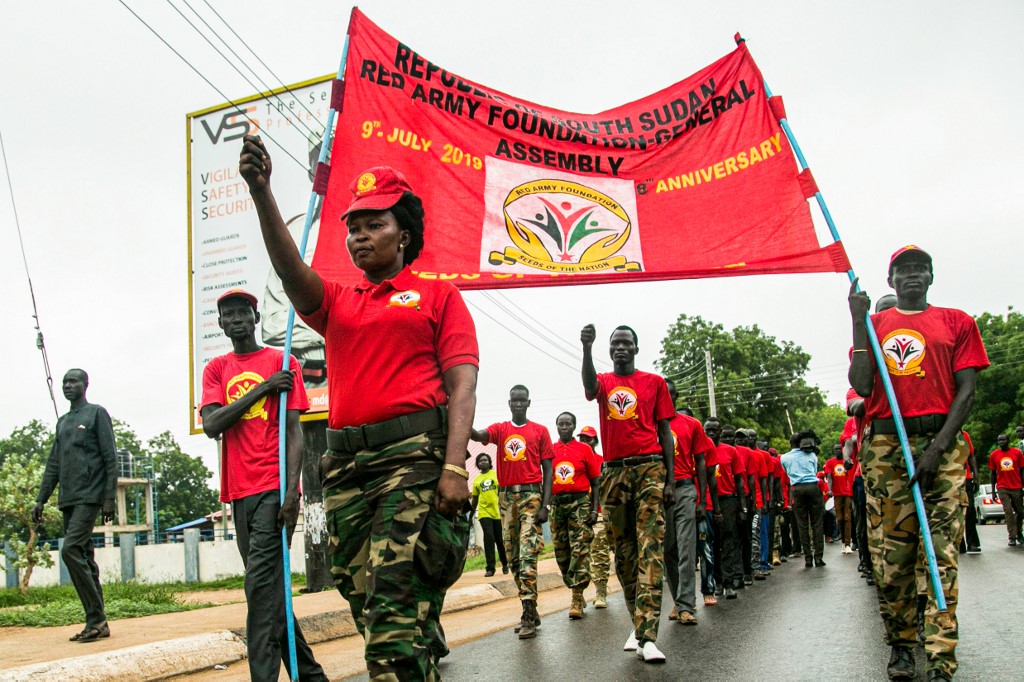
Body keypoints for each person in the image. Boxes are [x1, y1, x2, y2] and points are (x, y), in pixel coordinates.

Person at [240, 138, 479, 681]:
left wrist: (453, 465)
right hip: (345, 470)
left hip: (412, 463)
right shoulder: (339, 302)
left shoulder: (437, 296)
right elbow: (289, 269)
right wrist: (262, 193)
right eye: (353, 227)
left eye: (374, 224)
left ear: (405, 234)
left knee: (391, 625)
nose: (359, 236)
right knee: (369, 607)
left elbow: (461, 387)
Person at [849, 245, 989, 681]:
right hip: (888, 446)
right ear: (890, 281)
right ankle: (902, 646)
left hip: (942, 446)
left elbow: (965, 393)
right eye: (903, 270)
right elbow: (863, 384)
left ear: (930, 276)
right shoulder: (874, 325)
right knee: (893, 556)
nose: (912, 275)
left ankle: (942, 656)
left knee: (940, 553)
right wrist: (857, 319)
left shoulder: (957, 322)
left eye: (920, 269)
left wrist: (937, 449)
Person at [199, 289, 327, 682]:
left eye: (243, 313)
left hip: (273, 491)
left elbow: (294, 434)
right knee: (268, 591)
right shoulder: (216, 369)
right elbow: (212, 425)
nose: (236, 319)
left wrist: (293, 493)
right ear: (220, 324)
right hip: (238, 494)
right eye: (228, 315)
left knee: (259, 587)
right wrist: (263, 389)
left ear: (256, 318)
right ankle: (310, 675)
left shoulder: (283, 361)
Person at [581, 323, 675, 663]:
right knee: (624, 552)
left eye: (627, 343)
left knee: (650, 547)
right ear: (610, 351)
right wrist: (586, 348)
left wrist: (671, 480)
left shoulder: (654, 383)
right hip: (614, 471)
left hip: (650, 468)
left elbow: (665, 433)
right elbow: (590, 389)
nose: (621, 348)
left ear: (635, 349)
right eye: (615, 344)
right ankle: (639, 624)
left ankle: (648, 636)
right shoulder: (605, 381)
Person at [33, 369, 117, 643]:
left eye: (73, 381)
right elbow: (53, 464)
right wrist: (41, 499)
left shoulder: (96, 413)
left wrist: (108, 498)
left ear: (85, 385)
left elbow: (110, 458)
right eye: (65, 382)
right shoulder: (63, 422)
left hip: (89, 495)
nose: (68, 386)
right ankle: (98, 622)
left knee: (69, 549)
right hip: (68, 498)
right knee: (84, 557)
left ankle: (96, 619)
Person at [471, 385, 554, 639]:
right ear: (509, 403)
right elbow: (478, 435)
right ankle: (530, 608)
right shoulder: (501, 430)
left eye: (522, 401)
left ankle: (528, 614)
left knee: (528, 553)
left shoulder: (540, 431)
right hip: (506, 500)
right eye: (514, 401)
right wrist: (462, 413)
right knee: (513, 557)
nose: (518, 405)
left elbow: (549, 470)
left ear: (528, 403)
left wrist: (545, 504)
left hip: (531, 496)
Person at [662, 379, 712, 624]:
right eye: (662, 394)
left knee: (686, 548)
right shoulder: (650, 424)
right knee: (668, 550)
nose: (666, 398)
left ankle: (686, 606)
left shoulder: (691, 424)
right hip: (659, 493)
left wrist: (701, 500)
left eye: (670, 394)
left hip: (684, 490)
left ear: (676, 395)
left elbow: (701, 462)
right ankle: (677, 600)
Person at [549, 412, 601, 619]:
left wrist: (594, 509)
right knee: (562, 553)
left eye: (568, 424)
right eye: (560, 424)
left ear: (573, 427)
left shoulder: (584, 449)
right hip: (557, 506)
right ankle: (573, 585)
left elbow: (595, 482)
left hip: (579, 503)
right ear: (556, 426)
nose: (564, 427)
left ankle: (577, 596)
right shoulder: (550, 450)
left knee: (579, 549)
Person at [706, 419, 744, 600]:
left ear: (720, 432)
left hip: (728, 500)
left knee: (728, 541)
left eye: (714, 430)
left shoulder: (731, 451)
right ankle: (717, 583)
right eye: (708, 430)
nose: (711, 433)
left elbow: (739, 480)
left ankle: (729, 583)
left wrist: (742, 506)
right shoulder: (700, 450)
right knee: (711, 543)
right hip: (707, 501)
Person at [781, 429, 826, 568]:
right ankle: (818, 557)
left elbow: (787, 473)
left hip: (798, 489)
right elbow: (814, 470)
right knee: (817, 523)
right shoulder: (812, 454)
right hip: (813, 487)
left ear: (790, 443)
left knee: (802, 524)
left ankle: (807, 558)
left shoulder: (784, 457)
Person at [579, 425, 611, 608]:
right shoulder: (576, 459)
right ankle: (578, 594)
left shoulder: (602, 461)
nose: (585, 442)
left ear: (595, 441)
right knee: (579, 555)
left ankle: (600, 592)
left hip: (599, 513)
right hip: (579, 514)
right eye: (582, 438)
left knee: (599, 553)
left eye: (588, 439)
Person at [471, 453, 508, 577]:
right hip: (483, 512)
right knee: (488, 538)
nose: (483, 462)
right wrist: (471, 514)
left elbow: (502, 491)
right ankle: (490, 568)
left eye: (485, 460)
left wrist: (505, 507)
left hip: (496, 512)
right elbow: (475, 499)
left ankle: (505, 563)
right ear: (477, 464)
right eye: (480, 461)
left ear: (489, 462)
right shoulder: (476, 480)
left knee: (499, 539)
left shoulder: (496, 475)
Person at [988, 434, 1024, 546]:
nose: (1001, 442)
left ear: (1008, 440)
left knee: (1020, 512)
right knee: (1008, 512)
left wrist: (1023, 486)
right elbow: (993, 474)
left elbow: (1022, 470)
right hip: (1002, 487)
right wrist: (993, 491)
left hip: (1016, 486)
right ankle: (1012, 537)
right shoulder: (994, 455)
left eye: (1003, 439)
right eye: (999, 440)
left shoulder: (1017, 453)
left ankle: (1018, 532)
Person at [824, 443, 855, 554]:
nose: (837, 451)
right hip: (836, 494)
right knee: (840, 518)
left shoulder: (847, 461)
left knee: (847, 518)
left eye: (838, 449)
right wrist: (829, 489)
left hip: (847, 492)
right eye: (835, 449)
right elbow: (829, 477)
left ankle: (847, 544)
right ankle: (843, 542)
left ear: (842, 450)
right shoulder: (830, 462)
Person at [959, 430, 981, 554]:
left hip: (966, 477)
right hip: (952, 478)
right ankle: (959, 543)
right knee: (955, 510)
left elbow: (971, 455)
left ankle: (972, 543)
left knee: (970, 509)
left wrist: (975, 476)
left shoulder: (965, 434)